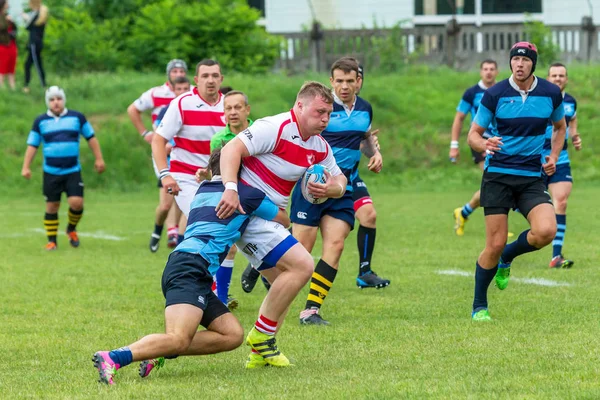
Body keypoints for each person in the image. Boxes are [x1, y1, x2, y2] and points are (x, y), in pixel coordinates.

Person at [92, 149, 291, 385]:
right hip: (190, 267)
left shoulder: (203, 189)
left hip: (190, 268)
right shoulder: (247, 195)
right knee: (178, 338)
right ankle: (113, 357)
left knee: (232, 335)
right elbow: (283, 219)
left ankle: (157, 351)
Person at [217, 81, 347, 367]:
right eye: (319, 112)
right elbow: (230, 150)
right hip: (249, 208)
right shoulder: (274, 127)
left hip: (265, 217)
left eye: (329, 114)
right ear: (300, 106)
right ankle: (261, 338)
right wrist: (230, 187)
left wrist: (331, 190)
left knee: (282, 284)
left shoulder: (320, 146)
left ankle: (261, 351)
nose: (325, 119)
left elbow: (340, 180)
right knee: (302, 265)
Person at [467, 42, 566, 321]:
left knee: (546, 231)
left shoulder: (550, 93)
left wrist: (554, 155)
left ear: (533, 64)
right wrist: (485, 143)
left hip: (531, 178)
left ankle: (508, 256)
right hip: (498, 177)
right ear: (510, 63)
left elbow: (560, 128)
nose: (519, 64)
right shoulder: (495, 94)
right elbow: (473, 134)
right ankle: (479, 306)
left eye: (525, 60)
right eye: (515, 60)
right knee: (493, 243)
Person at [291, 57, 386, 326]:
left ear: (358, 81)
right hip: (311, 186)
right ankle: (260, 267)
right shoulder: (319, 106)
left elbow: (364, 138)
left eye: (350, 80)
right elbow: (296, 136)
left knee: (336, 243)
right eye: (339, 81)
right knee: (300, 252)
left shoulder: (365, 108)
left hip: (343, 185)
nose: (345, 86)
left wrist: (375, 152)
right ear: (331, 81)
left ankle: (311, 310)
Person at [21, 86, 105, 250]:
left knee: (77, 203)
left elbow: (91, 138)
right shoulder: (40, 121)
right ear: (48, 102)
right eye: (52, 100)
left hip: (72, 170)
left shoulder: (77, 118)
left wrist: (99, 158)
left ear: (63, 100)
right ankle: (52, 241)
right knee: (52, 206)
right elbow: (32, 145)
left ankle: (71, 229)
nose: (56, 102)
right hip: (51, 172)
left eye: (58, 98)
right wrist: (26, 166)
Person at [153, 59, 226, 218]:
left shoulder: (229, 105)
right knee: (203, 219)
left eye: (215, 75)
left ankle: (179, 239)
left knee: (228, 227)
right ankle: (163, 233)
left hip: (220, 178)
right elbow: (158, 140)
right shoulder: (181, 103)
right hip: (185, 178)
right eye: (205, 76)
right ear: (196, 80)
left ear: (221, 79)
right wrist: (165, 176)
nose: (210, 80)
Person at [128, 59, 188, 248]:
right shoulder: (157, 95)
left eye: (181, 71)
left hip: (185, 152)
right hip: (163, 151)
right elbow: (133, 109)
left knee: (181, 191)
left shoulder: (192, 93)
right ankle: (162, 229)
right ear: (168, 74)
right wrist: (146, 134)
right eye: (174, 71)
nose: (178, 74)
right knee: (167, 198)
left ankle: (175, 233)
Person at [209, 90, 253, 308]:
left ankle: (259, 274)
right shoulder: (219, 139)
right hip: (231, 196)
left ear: (247, 110)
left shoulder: (260, 131)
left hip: (259, 196)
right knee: (229, 247)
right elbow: (216, 172)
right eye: (228, 108)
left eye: (237, 107)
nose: (233, 112)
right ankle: (221, 299)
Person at [450, 60, 499, 236]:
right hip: (480, 141)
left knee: (495, 184)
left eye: (492, 69)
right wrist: (454, 145)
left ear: (497, 71)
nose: (488, 72)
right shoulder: (472, 93)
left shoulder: (502, 90)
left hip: (500, 142)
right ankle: (497, 228)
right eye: (485, 69)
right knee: (494, 182)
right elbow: (459, 119)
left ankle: (463, 212)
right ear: (480, 72)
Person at [544, 62, 582, 268]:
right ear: (547, 78)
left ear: (566, 79)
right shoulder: (539, 99)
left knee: (561, 202)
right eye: (554, 75)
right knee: (523, 205)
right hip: (536, 159)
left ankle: (556, 257)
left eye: (561, 75)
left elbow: (572, 121)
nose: (558, 78)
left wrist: (574, 136)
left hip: (561, 159)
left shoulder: (570, 102)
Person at [148, 76, 190, 252]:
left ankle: (179, 240)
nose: (181, 92)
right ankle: (158, 231)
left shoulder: (193, 109)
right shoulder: (167, 110)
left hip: (185, 167)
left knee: (185, 206)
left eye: (185, 89)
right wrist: (169, 146)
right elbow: (159, 138)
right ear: (173, 90)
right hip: (167, 166)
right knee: (165, 205)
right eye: (178, 89)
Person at [21, 0, 48, 93]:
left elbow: (28, 27)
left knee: (32, 64)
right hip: (38, 43)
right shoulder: (41, 15)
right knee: (36, 64)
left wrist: (25, 17)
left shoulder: (36, 14)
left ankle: (30, 85)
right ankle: (42, 84)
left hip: (34, 43)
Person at [0, 0, 17, 90]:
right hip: (3, 45)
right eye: (6, 3)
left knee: (11, 68)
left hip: (11, 44)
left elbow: (14, 28)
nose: (8, 5)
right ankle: (1, 87)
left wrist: (12, 22)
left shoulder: (7, 15)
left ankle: (12, 87)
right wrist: (7, 21)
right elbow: (2, 27)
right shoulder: (2, 17)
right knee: (2, 68)